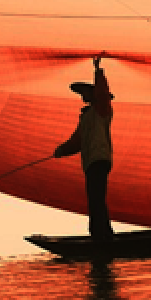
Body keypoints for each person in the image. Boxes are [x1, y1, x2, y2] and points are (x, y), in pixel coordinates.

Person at [54, 55, 114, 241]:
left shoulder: (101, 109)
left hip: (99, 158)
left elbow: (103, 94)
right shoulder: (86, 117)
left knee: (96, 198)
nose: (82, 97)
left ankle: (101, 235)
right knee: (94, 199)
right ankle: (101, 233)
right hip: (91, 162)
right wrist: (62, 150)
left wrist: (98, 71)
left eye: (85, 93)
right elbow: (77, 141)